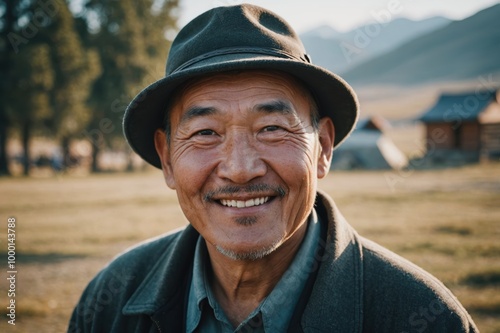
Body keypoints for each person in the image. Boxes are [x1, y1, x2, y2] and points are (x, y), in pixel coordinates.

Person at [68, 4, 477, 333]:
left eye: (272, 129)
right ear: (167, 157)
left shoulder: (421, 318)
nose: (241, 169)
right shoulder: (111, 303)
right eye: (206, 132)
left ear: (323, 148)